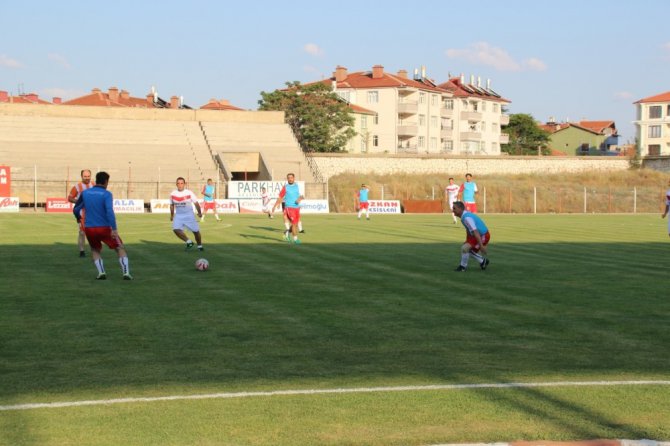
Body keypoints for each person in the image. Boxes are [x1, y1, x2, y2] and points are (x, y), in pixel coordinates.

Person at [73, 171, 131, 280]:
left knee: (95, 249)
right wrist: (114, 228)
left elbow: (76, 209)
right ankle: (126, 273)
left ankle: (101, 272)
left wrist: (78, 217)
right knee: (120, 247)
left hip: (89, 228)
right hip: (105, 227)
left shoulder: (85, 193)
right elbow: (109, 211)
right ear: (105, 182)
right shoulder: (107, 194)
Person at [452, 201, 490, 272]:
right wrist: (468, 240)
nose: (452, 210)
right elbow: (469, 229)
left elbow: (475, 232)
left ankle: (463, 267)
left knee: (466, 249)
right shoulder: (465, 215)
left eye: (454, 208)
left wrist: (481, 246)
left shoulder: (466, 218)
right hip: (477, 235)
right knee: (465, 248)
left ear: (460, 209)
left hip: (483, 236)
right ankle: (482, 262)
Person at [170, 177, 204, 251]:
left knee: (196, 231)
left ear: (184, 184)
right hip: (179, 215)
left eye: (181, 183)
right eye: (178, 183)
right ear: (176, 184)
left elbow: (196, 203)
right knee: (175, 229)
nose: (180, 185)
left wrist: (199, 213)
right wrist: (172, 215)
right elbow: (172, 205)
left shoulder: (189, 192)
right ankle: (189, 242)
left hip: (189, 215)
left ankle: (200, 246)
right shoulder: (173, 194)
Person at [68, 169, 95, 257]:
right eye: (85, 176)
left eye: (88, 176)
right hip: (82, 212)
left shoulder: (94, 185)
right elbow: (70, 198)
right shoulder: (77, 187)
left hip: (93, 212)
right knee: (82, 232)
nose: (87, 178)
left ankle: (94, 249)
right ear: (81, 177)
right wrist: (79, 202)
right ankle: (82, 251)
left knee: (93, 231)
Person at [272, 173, 304, 244]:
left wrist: (299, 199)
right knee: (294, 223)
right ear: (287, 179)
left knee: (295, 224)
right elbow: (280, 197)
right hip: (289, 207)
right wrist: (274, 206)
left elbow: (301, 196)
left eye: (291, 177)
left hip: (297, 207)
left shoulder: (297, 186)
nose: (290, 179)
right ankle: (295, 239)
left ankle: (286, 233)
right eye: (288, 178)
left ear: (294, 178)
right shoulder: (285, 187)